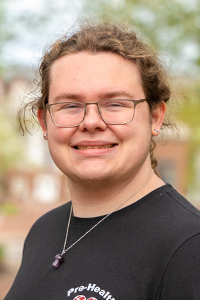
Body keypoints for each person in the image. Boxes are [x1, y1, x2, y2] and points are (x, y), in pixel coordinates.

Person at [4, 19, 200, 300]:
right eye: (70, 105)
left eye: (115, 104)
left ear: (155, 117)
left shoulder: (189, 247)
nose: (91, 122)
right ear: (44, 122)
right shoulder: (44, 230)